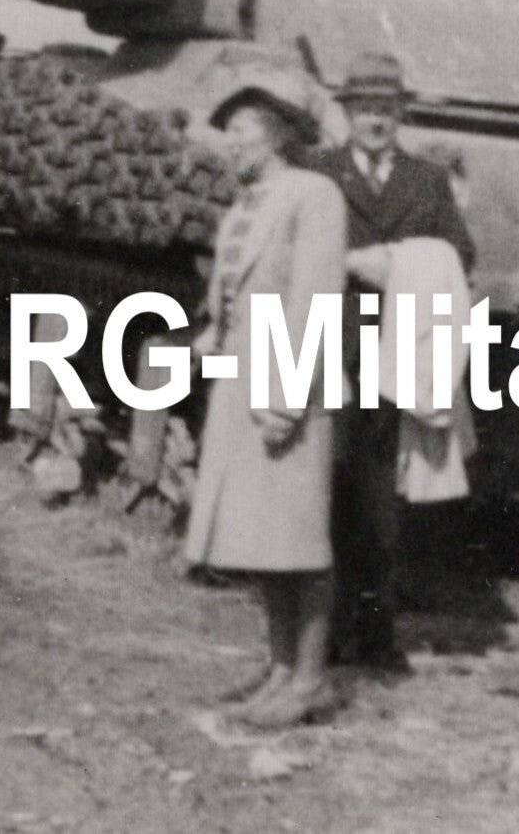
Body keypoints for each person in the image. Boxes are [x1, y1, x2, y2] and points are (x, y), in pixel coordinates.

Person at [181, 83, 349, 729]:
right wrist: (210, 342)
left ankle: (310, 678)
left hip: (285, 385)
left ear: (279, 135)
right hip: (240, 382)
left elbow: (313, 301)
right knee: (262, 539)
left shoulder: (313, 195)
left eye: (242, 130)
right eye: (228, 132)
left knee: (299, 538)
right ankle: (279, 670)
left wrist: (287, 398)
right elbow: (231, 293)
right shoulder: (245, 204)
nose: (232, 143)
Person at [306, 51, 475, 675]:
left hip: (398, 356)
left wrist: (399, 261)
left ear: (400, 115)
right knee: (325, 489)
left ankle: (375, 636)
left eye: (386, 109)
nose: (375, 120)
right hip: (330, 347)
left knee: (381, 501)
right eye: (364, 109)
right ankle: (318, 637)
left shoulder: (426, 182)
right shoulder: (316, 170)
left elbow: (461, 254)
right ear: (347, 114)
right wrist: (352, 262)